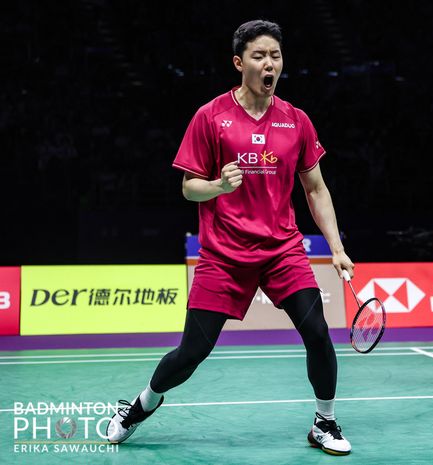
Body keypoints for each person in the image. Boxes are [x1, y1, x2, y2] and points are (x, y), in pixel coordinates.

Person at [106, 20, 353, 456]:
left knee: (317, 331)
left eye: (275, 55)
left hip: (282, 250)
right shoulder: (211, 116)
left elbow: (316, 189)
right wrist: (219, 186)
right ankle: (139, 406)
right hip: (224, 255)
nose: (269, 63)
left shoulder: (296, 121)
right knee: (191, 352)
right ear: (240, 63)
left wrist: (337, 248)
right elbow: (188, 187)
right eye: (259, 56)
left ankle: (325, 421)